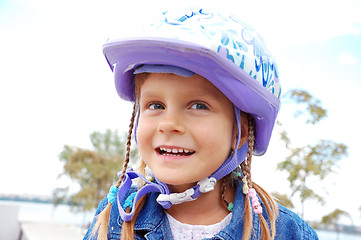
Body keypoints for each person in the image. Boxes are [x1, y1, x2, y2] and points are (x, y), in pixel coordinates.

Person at [83, 6, 319, 240]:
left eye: (198, 106)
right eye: (155, 105)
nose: (168, 124)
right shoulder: (115, 215)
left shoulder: (285, 232)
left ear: (241, 132)